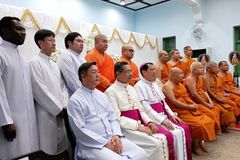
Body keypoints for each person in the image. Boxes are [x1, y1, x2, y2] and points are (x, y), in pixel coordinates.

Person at [68, 62, 148, 160]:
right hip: (93, 145)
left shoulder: (102, 95)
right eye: (93, 72)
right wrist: (104, 143)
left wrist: (116, 135)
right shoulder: (75, 100)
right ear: (83, 77)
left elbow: (113, 118)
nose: (98, 75)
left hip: (112, 138)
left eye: (98, 72)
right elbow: (80, 130)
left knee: (141, 154)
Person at [105, 62, 169, 160]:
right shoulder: (110, 91)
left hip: (140, 124)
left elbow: (141, 110)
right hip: (125, 128)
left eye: (131, 71)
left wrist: (149, 122)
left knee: (162, 139)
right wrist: (137, 126)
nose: (131, 74)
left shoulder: (131, 88)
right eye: (127, 72)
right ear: (118, 74)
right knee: (156, 144)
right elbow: (116, 117)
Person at [135, 62, 192, 160]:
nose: (155, 72)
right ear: (144, 72)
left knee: (185, 128)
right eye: (151, 70)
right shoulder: (138, 86)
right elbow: (146, 107)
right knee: (173, 134)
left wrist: (172, 114)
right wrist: (162, 121)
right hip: (154, 118)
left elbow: (164, 103)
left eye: (155, 69)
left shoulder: (155, 85)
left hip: (164, 115)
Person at [0, 16, 39, 159]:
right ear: (4, 31)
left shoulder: (22, 56)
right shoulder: (1, 53)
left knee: (23, 154)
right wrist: (6, 121)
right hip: (10, 120)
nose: (23, 33)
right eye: (18, 29)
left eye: (24, 30)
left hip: (25, 118)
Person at [29, 29, 68, 154]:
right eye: (50, 40)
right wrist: (57, 109)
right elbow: (39, 90)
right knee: (46, 148)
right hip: (46, 111)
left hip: (61, 110)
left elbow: (62, 87)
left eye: (54, 40)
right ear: (40, 43)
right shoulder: (34, 63)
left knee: (61, 147)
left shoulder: (54, 64)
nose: (54, 43)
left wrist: (64, 105)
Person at [163, 67, 216, 156]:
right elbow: (174, 101)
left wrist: (193, 105)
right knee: (199, 125)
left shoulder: (180, 84)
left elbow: (186, 96)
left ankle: (199, 143)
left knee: (208, 121)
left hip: (188, 109)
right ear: (173, 76)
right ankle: (195, 146)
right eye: (180, 74)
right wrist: (189, 107)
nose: (183, 76)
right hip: (179, 112)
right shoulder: (167, 86)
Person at [184, 62, 221, 133]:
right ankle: (210, 132)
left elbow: (204, 91)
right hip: (196, 103)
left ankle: (213, 130)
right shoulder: (190, 79)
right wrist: (206, 105)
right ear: (194, 70)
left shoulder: (200, 78)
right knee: (211, 114)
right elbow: (194, 95)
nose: (203, 69)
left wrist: (210, 101)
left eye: (202, 67)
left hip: (204, 101)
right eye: (200, 68)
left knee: (216, 109)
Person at [203, 62, 237, 130]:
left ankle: (227, 125)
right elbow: (208, 91)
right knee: (224, 110)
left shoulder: (215, 76)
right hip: (211, 99)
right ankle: (223, 127)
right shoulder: (205, 77)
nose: (217, 69)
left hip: (218, 96)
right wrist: (218, 99)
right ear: (209, 69)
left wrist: (222, 96)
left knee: (230, 107)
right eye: (215, 67)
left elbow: (219, 88)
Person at [57, 32, 86, 96]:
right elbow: (72, 81)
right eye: (78, 41)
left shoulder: (82, 59)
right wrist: (84, 95)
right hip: (72, 95)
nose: (82, 44)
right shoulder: (65, 56)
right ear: (69, 43)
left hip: (84, 93)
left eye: (82, 42)